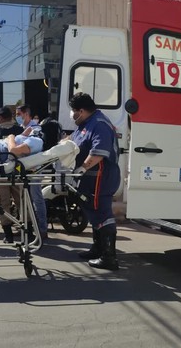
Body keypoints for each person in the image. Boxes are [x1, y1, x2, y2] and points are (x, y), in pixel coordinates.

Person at [69, 92, 121, 271]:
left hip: (101, 177)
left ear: (81, 110)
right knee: (93, 211)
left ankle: (109, 257)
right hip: (91, 178)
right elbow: (74, 142)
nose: (72, 114)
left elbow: (99, 152)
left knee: (102, 213)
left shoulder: (99, 124)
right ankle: (98, 248)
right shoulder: (85, 123)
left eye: (73, 111)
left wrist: (82, 169)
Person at [0, 106, 24, 243]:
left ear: (0, 118)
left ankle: (8, 235)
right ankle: (28, 232)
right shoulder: (21, 131)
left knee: (3, 203)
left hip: (0, 174)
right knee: (23, 202)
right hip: (18, 172)